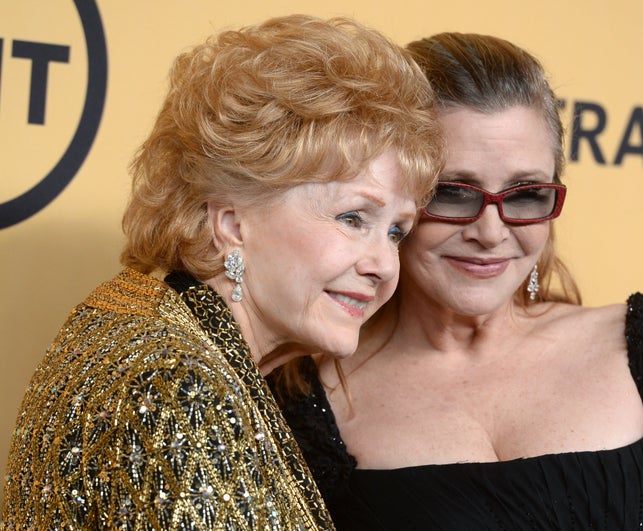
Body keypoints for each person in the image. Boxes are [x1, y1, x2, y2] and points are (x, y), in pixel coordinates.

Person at [0, 15, 443, 529]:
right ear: (232, 223)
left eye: (396, 232)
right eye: (352, 218)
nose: (384, 266)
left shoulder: (145, 324)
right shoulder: (176, 387)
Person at [269, 32, 643, 530]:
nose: (490, 232)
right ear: (395, 197)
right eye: (454, 193)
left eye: (525, 194)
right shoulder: (306, 401)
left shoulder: (641, 346)